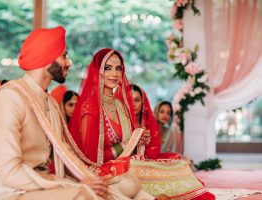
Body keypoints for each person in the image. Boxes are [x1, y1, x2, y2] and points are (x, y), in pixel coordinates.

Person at [0, 27, 152, 200]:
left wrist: (91, 178)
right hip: (10, 188)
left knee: (131, 185)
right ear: (47, 58)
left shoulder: (49, 102)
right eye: (64, 55)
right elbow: (11, 173)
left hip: (44, 182)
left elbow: (64, 152)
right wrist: (72, 185)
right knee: (85, 195)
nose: (69, 62)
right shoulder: (10, 97)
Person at [68, 48, 215, 200]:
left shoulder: (119, 104)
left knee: (178, 165)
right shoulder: (90, 107)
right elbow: (90, 159)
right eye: (108, 68)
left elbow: (129, 146)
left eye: (118, 68)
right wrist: (128, 143)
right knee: (144, 178)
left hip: (126, 164)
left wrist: (139, 141)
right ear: (97, 71)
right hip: (102, 171)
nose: (114, 74)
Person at [130, 84, 181, 160]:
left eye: (137, 100)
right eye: (162, 112)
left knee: (178, 159)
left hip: (147, 159)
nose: (133, 104)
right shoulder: (121, 122)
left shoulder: (151, 126)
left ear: (143, 102)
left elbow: (154, 151)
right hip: (128, 160)